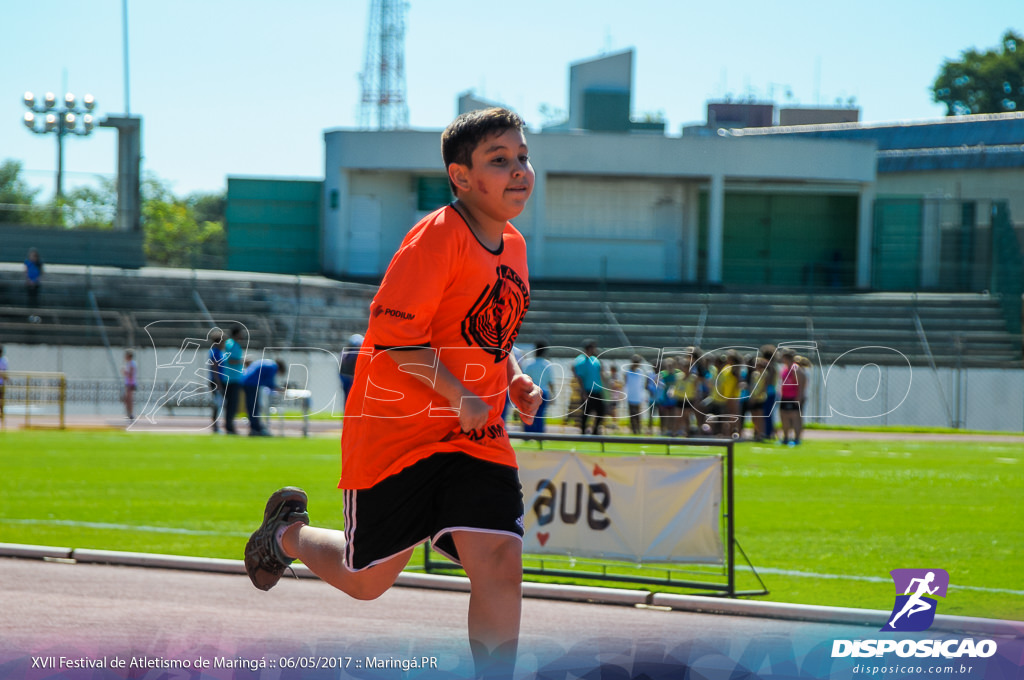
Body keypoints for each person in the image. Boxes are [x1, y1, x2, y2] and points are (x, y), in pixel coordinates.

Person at [244, 108, 542, 680]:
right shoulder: (438, 237)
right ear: (461, 176)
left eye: (523, 156)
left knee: (501, 562)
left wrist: (514, 378)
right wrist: (458, 394)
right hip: (396, 432)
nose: (519, 170)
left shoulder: (516, 248)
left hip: (473, 439)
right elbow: (396, 339)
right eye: (499, 161)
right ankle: (285, 532)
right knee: (367, 580)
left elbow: (485, 332)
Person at [242, 357, 286, 436]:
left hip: (247, 381)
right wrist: (279, 389)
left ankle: (255, 427)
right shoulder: (272, 367)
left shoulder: (269, 363)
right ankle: (255, 428)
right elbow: (269, 382)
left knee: (252, 406)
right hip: (251, 383)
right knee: (253, 406)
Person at [520, 340, 554, 434]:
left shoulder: (528, 363)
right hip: (544, 392)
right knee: (541, 415)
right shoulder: (547, 364)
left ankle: (528, 434)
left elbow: (523, 379)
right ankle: (539, 435)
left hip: (530, 391)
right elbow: (550, 382)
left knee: (528, 414)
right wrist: (553, 394)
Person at [573, 340, 604, 435]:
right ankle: (583, 431)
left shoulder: (596, 360)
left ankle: (595, 430)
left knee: (601, 411)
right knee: (586, 412)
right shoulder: (580, 360)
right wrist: (583, 391)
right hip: (587, 390)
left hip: (597, 389)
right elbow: (579, 376)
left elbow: (600, 373)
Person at [221, 324, 245, 434]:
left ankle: (229, 426)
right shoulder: (231, 344)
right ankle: (229, 427)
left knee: (232, 404)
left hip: (233, 378)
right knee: (231, 404)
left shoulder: (232, 344)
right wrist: (243, 361)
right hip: (231, 378)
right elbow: (230, 360)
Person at [778, 349, 803, 445]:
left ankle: (796, 438)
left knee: (795, 417)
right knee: (784, 416)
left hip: (793, 396)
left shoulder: (795, 368)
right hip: (785, 396)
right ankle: (786, 438)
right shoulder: (785, 368)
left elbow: (800, 384)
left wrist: (799, 397)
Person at [623, 354, 648, 436]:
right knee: (632, 414)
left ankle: (638, 429)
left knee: (638, 414)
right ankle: (634, 430)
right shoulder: (627, 372)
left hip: (638, 397)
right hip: (630, 396)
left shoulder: (640, 372)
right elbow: (625, 383)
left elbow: (642, 384)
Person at [207, 330, 226, 433]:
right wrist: (218, 383)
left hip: (219, 380)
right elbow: (214, 368)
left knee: (219, 404)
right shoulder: (214, 352)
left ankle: (217, 425)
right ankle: (215, 426)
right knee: (217, 404)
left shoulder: (219, 352)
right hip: (216, 381)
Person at [338, 333, 364, 410]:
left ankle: (347, 415)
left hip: (344, 377)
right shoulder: (355, 353)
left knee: (348, 399)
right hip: (351, 378)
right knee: (352, 399)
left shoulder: (345, 352)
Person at [122, 349, 137, 421]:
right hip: (128, 383)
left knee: (129, 399)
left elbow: (130, 374)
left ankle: (130, 413)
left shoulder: (131, 363)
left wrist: (125, 372)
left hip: (131, 384)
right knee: (127, 399)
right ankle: (128, 413)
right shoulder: (128, 363)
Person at [0, 345, 8, 421]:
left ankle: (2, 415)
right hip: (1, 383)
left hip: (1, 383)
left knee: (1, 399)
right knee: (1, 399)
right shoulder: (4, 360)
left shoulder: (4, 360)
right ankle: (2, 415)